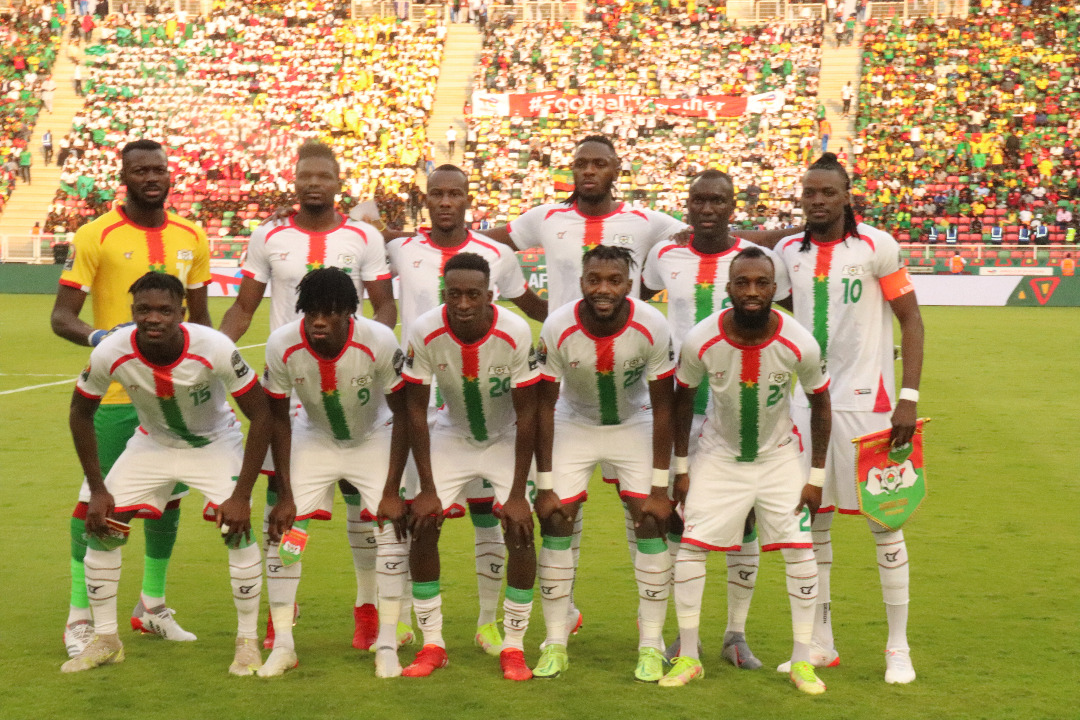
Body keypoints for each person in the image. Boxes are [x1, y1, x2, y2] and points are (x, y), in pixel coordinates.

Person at [220, 140, 397, 652]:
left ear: (338, 182)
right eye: (305, 176)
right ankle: (283, 612)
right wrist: (215, 351)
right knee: (283, 502)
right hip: (291, 385)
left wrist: (369, 355)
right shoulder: (268, 235)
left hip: (353, 387)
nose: (314, 184)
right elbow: (244, 308)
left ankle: (367, 608)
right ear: (294, 180)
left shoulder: (364, 236)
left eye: (323, 176)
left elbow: (384, 307)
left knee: (361, 505)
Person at [61, 272, 271, 676]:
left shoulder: (215, 347)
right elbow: (79, 413)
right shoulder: (111, 351)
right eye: (143, 310)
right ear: (132, 311)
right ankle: (106, 640)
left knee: (237, 529)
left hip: (213, 443)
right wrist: (98, 488)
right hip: (152, 443)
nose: (153, 318)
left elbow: (261, 415)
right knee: (102, 524)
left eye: (164, 310)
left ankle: (247, 643)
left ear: (182, 312)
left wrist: (242, 495)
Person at [51, 139, 211, 660]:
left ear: (170, 175)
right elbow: (62, 317)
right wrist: (101, 339)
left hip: (176, 399)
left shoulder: (192, 235)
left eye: (158, 169)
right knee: (95, 503)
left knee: (169, 502)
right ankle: (79, 616)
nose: (151, 177)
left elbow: (202, 322)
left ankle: (151, 605)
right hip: (119, 396)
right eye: (140, 170)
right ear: (124, 177)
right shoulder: (95, 234)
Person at [772, 153, 924, 684]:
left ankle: (898, 648)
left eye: (827, 192)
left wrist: (908, 397)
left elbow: (911, 321)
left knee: (886, 523)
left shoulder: (877, 246)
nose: (817, 200)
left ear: (846, 196)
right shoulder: (787, 253)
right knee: (812, 522)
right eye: (809, 192)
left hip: (870, 407)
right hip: (806, 406)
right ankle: (820, 643)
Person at [385, 164, 546, 656]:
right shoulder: (402, 252)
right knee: (418, 519)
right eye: (437, 193)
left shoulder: (500, 267)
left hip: (497, 418)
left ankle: (496, 629)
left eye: (455, 193)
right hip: (437, 414)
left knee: (502, 520)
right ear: (426, 199)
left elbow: (532, 309)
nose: (446, 201)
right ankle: (415, 632)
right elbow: (367, 270)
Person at [662, 247, 832, 694]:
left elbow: (821, 404)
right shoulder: (701, 339)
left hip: (779, 458)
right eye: (743, 283)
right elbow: (682, 402)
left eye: (761, 283)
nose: (752, 291)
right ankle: (689, 656)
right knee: (692, 549)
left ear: (775, 288)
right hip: (718, 457)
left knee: (800, 552)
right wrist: (682, 468)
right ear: (729, 288)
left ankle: (801, 661)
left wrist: (815, 478)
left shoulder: (800, 342)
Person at [640, 170, 792, 669]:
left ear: (732, 206)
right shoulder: (664, 255)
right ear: (687, 205)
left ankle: (735, 634)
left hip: (740, 407)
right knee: (678, 518)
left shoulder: (753, 260)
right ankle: (683, 634)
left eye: (718, 200)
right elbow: (637, 305)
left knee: (745, 516)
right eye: (699, 200)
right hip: (681, 405)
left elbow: (781, 321)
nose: (707, 209)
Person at [531, 245, 676, 682]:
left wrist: (660, 487)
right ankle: (555, 641)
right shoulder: (558, 326)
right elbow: (543, 406)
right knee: (556, 518)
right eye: (594, 280)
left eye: (614, 280)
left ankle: (650, 643)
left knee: (649, 520)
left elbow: (664, 407)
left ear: (630, 285)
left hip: (635, 421)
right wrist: (544, 484)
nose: (603, 289)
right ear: (581, 282)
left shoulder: (653, 325)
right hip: (574, 422)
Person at [259, 268, 407, 677]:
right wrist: (285, 494)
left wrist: (392, 489)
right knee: (285, 535)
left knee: (391, 534)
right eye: (311, 313)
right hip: (315, 438)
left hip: (374, 437)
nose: (319, 322)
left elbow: (404, 414)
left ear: (349, 313)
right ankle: (283, 643)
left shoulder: (379, 340)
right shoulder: (282, 344)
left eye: (329, 313)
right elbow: (278, 420)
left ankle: (387, 643)